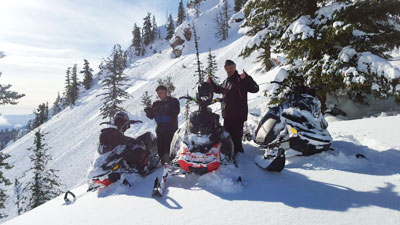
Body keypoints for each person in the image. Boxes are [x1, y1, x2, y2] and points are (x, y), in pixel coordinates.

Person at [88, 112, 158, 188]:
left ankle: (144, 166)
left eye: (121, 120)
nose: (119, 121)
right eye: (117, 120)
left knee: (137, 146)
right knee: (130, 148)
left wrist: (131, 122)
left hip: (133, 141)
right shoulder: (113, 128)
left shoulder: (121, 127)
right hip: (120, 142)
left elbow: (124, 128)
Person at [207, 59, 259, 155]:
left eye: (230, 67)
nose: (229, 70)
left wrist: (247, 78)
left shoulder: (240, 79)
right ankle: (230, 156)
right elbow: (221, 90)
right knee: (228, 138)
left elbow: (255, 89)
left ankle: (240, 162)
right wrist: (212, 84)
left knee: (236, 140)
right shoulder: (227, 81)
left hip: (237, 116)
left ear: (235, 67)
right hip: (228, 115)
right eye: (227, 68)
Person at [144, 85, 180, 164]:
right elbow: (152, 116)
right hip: (160, 129)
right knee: (160, 148)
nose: (159, 95)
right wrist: (148, 112)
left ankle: (171, 162)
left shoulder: (173, 101)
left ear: (165, 92)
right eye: (158, 93)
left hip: (170, 128)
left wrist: (165, 109)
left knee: (169, 147)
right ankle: (163, 161)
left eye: (160, 93)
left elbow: (176, 112)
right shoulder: (156, 103)